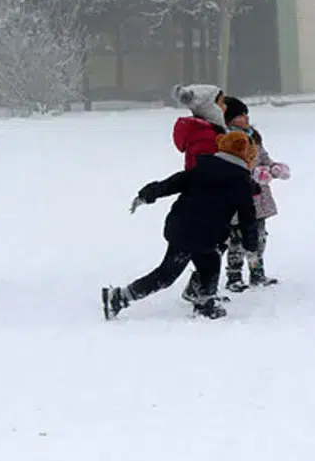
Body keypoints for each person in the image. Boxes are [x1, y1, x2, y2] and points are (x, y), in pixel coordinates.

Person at [102, 131, 262, 321]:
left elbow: (173, 183)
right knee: (168, 274)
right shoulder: (241, 183)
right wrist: (251, 246)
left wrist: (147, 194)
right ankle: (119, 297)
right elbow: (248, 219)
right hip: (201, 234)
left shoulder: (204, 169)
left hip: (182, 227)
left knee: (209, 262)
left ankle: (203, 300)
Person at [220, 96, 291, 292]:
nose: (246, 118)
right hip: (238, 198)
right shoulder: (227, 140)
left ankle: (257, 271)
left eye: (246, 114)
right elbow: (231, 167)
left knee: (259, 235)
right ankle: (234, 275)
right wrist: (253, 174)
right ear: (228, 119)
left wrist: (273, 167)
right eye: (240, 115)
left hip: (259, 197)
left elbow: (263, 157)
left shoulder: (253, 136)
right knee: (236, 238)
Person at [171, 83, 228, 169]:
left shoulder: (209, 131)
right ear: (209, 107)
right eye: (221, 103)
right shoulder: (205, 137)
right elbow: (208, 171)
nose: (225, 107)